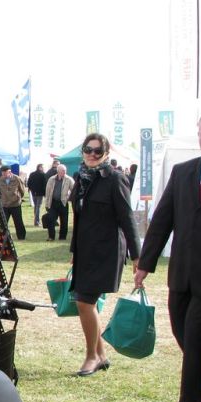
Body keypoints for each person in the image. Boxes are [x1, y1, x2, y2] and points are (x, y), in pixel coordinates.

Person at [134, 111, 201, 402]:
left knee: (196, 338)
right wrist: (145, 263)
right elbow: (162, 221)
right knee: (183, 334)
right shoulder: (183, 172)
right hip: (181, 275)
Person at [70, 132, 140, 376]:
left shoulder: (115, 179)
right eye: (88, 149)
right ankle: (100, 355)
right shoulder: (81, 177)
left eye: (97, 151)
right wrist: (73, 252)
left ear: (106, 154)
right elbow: (78, 218)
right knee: (87, 302)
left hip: (106, 251)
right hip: (85, 250)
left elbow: (127, 218)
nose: (91, 154)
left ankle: (92, 356)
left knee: (84, 301)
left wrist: (137, 256)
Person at [43, 164, 74, 241]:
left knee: (64, 221)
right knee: (51, 219)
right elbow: (47, 191)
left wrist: (68, 197)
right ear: (58, 171)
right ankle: (51, 237)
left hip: (63, 203)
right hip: (53, 203)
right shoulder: (51, 179)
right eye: (63, 171)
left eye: (65, 171)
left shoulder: (69, 179)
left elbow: (74, 190)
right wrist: (47, 204)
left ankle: (62, 237)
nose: (64, 172)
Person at [0, 165, 27, 240]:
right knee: (3, 222)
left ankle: (21, 237)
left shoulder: (17, 178)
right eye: (2, 173)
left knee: (18, 221)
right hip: (5, 204)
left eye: (5, 173)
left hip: (15, 204)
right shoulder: (0, 180)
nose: (4, 175)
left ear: (9, 172)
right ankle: (3, 237)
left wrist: (18, 197)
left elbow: (22, 190)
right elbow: (2, 191)